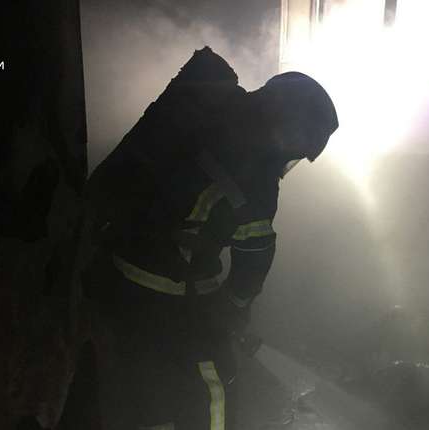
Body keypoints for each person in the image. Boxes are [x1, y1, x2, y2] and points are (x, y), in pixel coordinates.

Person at [81, 46, 338, 430]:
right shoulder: (256, 176)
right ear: (286, 127)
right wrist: (235, 305)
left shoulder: (208, 121)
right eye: (296, 149)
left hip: (119, 274)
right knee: (211, 384)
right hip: (170, 292)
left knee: (142, 391)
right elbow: (255, 253)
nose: (289, 160)